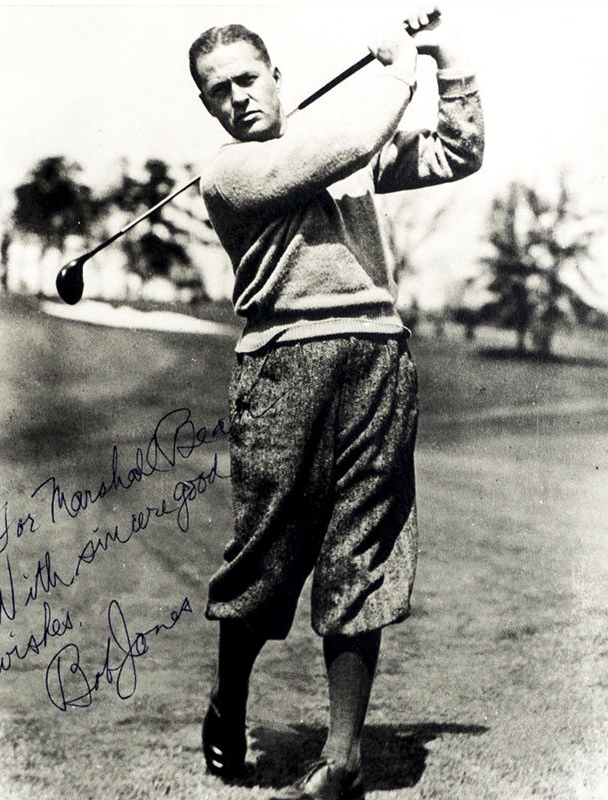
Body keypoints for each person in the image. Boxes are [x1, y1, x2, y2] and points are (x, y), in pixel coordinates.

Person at [189, 8, 484, 799]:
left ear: (276, 76)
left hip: (379, 360)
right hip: (284, 367)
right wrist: (396, 70)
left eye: (247, 79)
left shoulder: (338, 150)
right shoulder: (230, 172)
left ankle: (343, 756)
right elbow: (343, 144)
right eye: (218, 92)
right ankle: (229, 699)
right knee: (266, 557)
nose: (237, 99)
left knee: (365, 546)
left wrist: (440, 56)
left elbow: (458, 151)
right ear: (208, 107)